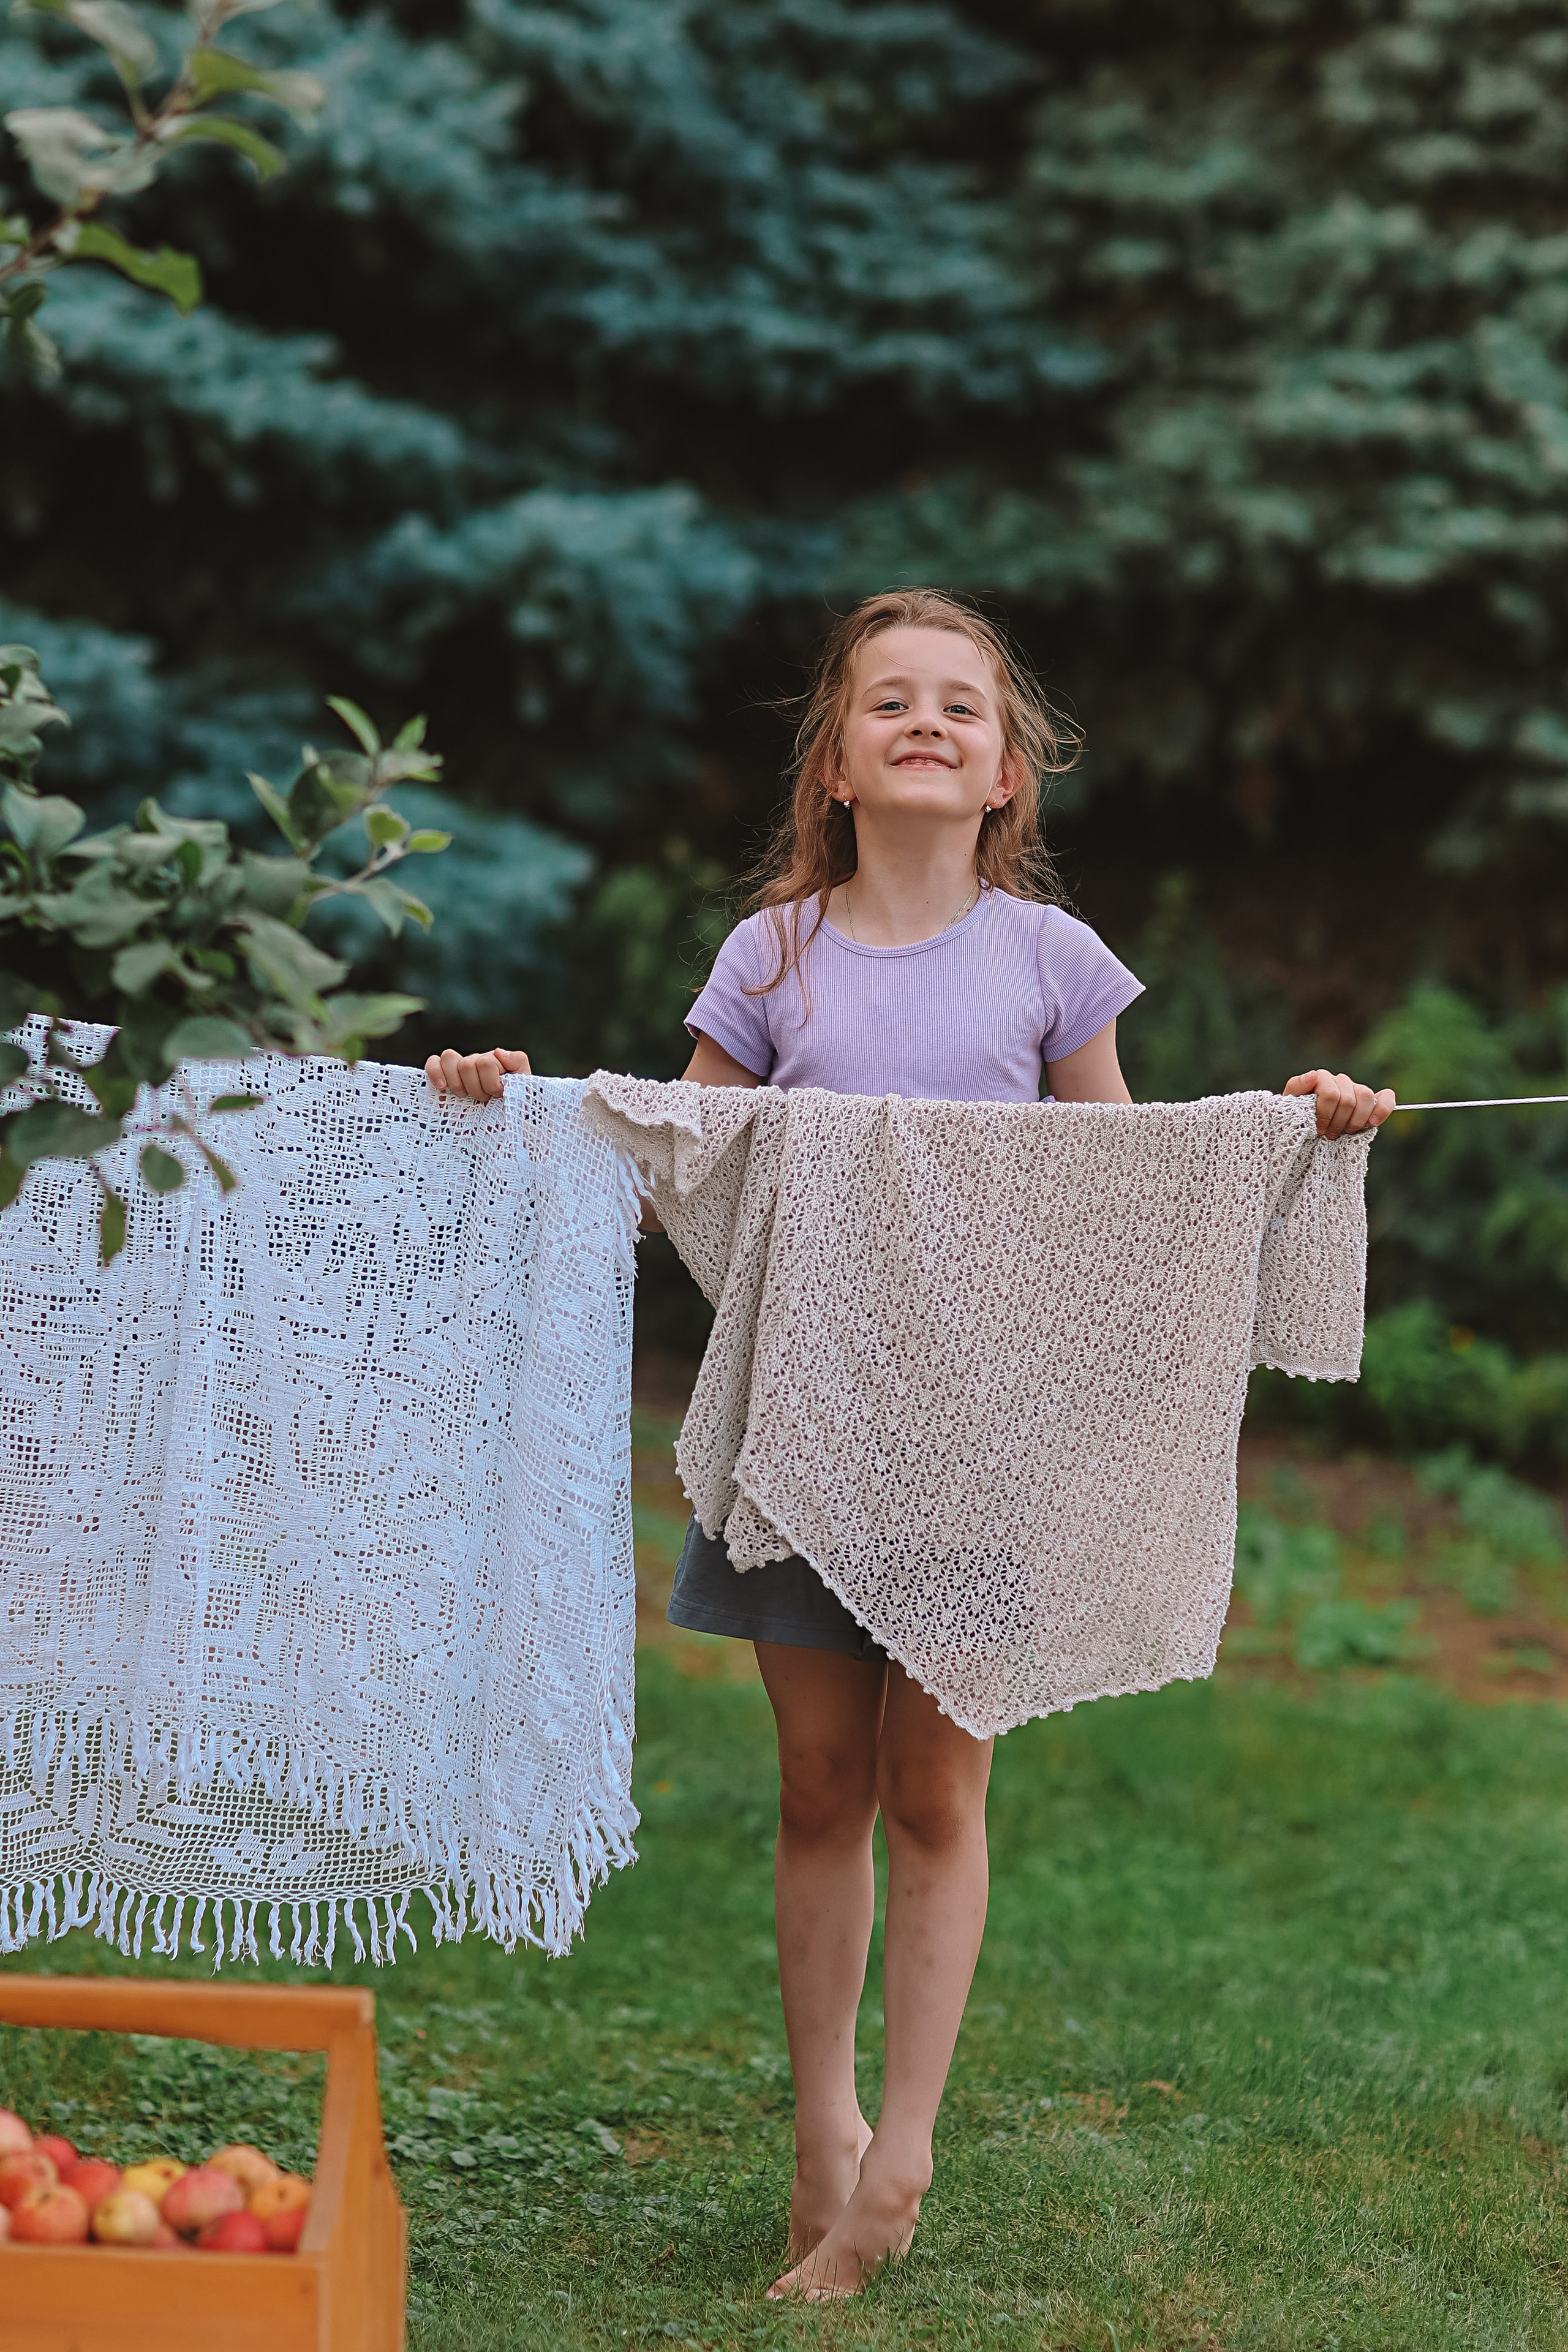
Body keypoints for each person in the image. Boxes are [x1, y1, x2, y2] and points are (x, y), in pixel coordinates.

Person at [425, 586, 1395, 2299]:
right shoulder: (774, 957)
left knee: (939, 1791)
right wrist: (512, 1105)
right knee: (820, 1788)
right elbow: (674, 1163)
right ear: (837, 764)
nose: (928, 723)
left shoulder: (1052, 962)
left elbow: (1127, 1194)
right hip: (805, 1422)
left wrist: (1303, 1133)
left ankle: (907, 2163)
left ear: (1007, 771)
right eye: (890, 705)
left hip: (983, 1440)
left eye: (962, 705)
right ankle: (822, 2138)